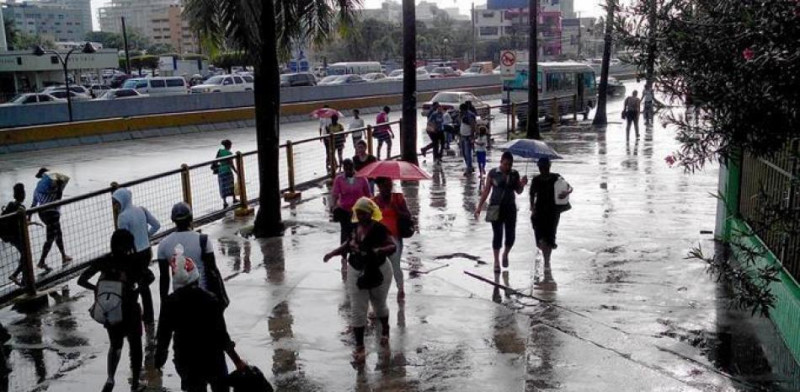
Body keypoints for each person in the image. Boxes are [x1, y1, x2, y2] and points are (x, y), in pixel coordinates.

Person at [155, 246, 246, 392]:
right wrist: (237, 360)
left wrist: (159, 359)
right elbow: (221, 334)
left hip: (186, 359)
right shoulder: (210, 299)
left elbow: (163, 336)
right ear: (196, 278)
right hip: (212, 357)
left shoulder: (170, 303)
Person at [323, 197, 396, 363]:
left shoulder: (379, 229)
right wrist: (332, 253)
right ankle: (360, 347)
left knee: (379, 305)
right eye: (358, 213)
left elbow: (392, 246)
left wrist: (380, 250)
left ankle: (385, 330)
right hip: (356, 270)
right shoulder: (355, 228)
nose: (361, 216)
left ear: (370, 213)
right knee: (358, 309)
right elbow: (348, 245)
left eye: (364, 213)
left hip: (379, 271)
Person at [78, 229, 144, 392]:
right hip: (130, 310)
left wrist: (97, 289)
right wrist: (136, 288)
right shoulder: (133, 261)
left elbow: (81, 280)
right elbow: (149, 277)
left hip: (110, 310)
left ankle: (110, 378)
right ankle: (136, 382)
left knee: (115, 345)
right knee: (135, 346)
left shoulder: (104, 261)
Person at [112, 188, 160, 341]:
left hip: (134, 255)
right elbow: (156, 225)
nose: (114, 205)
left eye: (115, 202)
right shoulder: (141, 210)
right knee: (143, 284)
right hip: (146, 251)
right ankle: (149, 316)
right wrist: (146, 236)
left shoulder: (122, 217)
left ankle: (136, 314)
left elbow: (123, 239)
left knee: (132, 285)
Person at [157, 202, 228, 306]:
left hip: (179, 299)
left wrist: (164, 303)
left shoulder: (163, 245)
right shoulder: (203, 240)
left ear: (173, 220)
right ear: (191, 218)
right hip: (203, 297)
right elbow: (212, 270)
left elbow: (164, 278)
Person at [474, 152, 528, 273]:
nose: (507, 167)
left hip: (510, 208)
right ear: (501, 162)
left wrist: (522, 184)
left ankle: (505, 254)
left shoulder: (514, 174)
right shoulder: (493, 173)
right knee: (497, 235)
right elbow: (486, 190)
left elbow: (518, 191)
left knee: (511, 236)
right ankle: (496, 261)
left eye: (509, 165)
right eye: (505, 164)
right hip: (495, 207)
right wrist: (479, 207)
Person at [372, 177, 411, 301]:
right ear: (379, 187)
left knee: (395, 266)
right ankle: (380, 297)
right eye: (385, 186)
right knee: (379, 268)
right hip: (379, 240)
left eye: (390, 185)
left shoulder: (398, 198)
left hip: (395, 239)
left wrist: (397, 209)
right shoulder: (374, 201)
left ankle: (400, 288)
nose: (388, 189)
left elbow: (408, 215)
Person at [529, 157, 573, 267]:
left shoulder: (556, 177)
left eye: (545, 168)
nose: (544, 170)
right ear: (539, 168)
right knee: (541, 238)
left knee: (550, 237)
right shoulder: (536, 180)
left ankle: (547, 261)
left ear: (549, 167)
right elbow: (531, 194)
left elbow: (570, 187)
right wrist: (532, 208)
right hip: (539, 212)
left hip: (553, 212)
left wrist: (566, 193)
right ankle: (546, 258)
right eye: (542, 168)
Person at [331, 159, 372, 270]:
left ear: (353, 167)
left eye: (349, 168)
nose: (348, 170)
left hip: (359, 212)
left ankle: (358, 252)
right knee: (345, 233)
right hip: (344, 211)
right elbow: (335, 194)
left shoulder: (362, 178)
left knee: (358, 232)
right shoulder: (339, 179)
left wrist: (370, 208)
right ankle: (344, 256)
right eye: (345, 168)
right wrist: (333, 206)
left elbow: (368, 194)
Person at [31, 167, 71, 271]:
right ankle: (42, 261)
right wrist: (58, 187)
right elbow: (58, 199)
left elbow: (34, 204)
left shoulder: (38, 188)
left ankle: (63, 255)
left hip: (43, 213)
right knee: (51, 237)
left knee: (58, 234)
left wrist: (28, 217)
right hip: (52, 213)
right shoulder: (54, 188)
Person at [2, 184, 28, 286]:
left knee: (24, 255)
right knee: (26, 256)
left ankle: (20, 279)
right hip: (17, 236)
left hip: (9, 236)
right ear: (23, 194)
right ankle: (19, 279)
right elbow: (22, 222)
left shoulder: (10, 205)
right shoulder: (21, 207)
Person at [213, 140, 238, 209]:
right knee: (230, 185)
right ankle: (234, 199)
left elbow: (216, 161)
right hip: (227, 170)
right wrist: (236, 172)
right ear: (229, 145)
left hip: (221, 171)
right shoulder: (229, 153)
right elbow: (231, 164)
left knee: (223, 186)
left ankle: (224, 202)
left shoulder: (220, 151)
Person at [459, 103, 477, 175]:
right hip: (463, 135)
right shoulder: (463, 115)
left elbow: (473, 126)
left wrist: (472, 136)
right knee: (464, 153)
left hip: (467, 136)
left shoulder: (469, 115)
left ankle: (469, 168)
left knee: (467, 153)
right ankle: (469, 166)